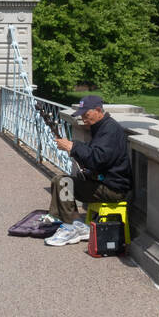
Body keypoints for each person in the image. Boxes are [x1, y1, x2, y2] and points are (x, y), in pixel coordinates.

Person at [45, 96, 133, 241]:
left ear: (98, 110)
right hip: (104, 182)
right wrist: (74, 148)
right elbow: (95, 156)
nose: (83, 118)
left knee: (63, 183)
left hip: (114, 189)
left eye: (85, 114)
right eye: (81, 115)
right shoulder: (101, 127)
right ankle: (66, 221)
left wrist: (73, 147)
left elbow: (97, 159)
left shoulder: (110, 130)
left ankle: (71, 227)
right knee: (60, 181)